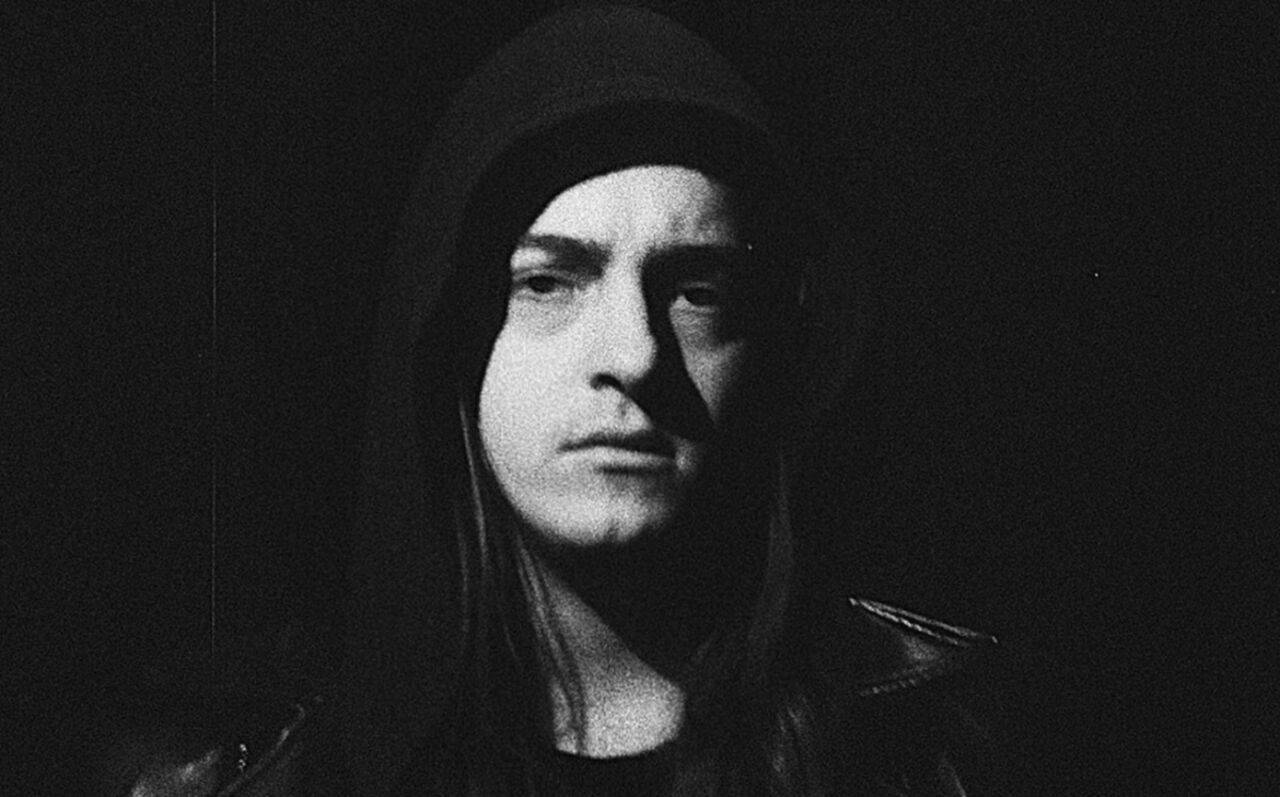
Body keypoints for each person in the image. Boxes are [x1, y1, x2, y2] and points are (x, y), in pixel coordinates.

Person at [117, 5, 1007, 795]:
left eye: (697, 292)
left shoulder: (938, 754)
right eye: (548, 281)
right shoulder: (260, 772)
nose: (635, 354)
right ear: (452, 333)